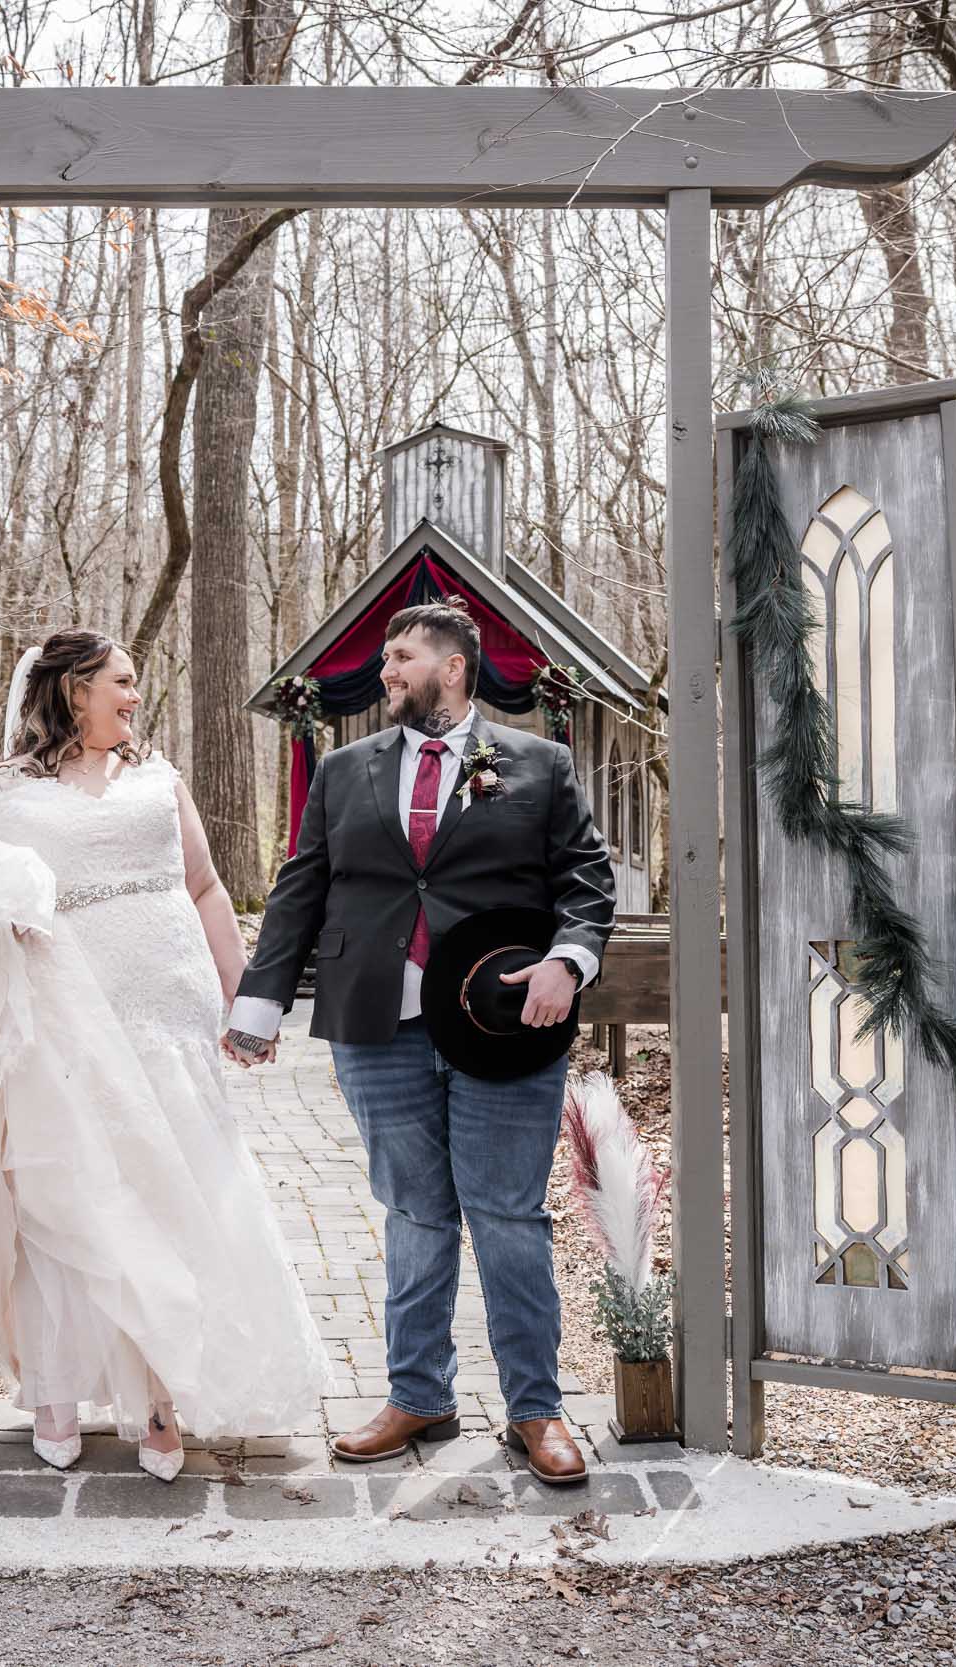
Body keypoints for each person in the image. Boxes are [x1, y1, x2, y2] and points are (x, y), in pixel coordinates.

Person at [0, 628, 327, 1482]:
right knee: (62, 1199)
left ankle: (159, 1395)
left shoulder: (159, 778)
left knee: (170, 1191)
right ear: (74, 689)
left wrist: (247, 1000)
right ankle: (55, 1391)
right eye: (122, 680)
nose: (135, 694)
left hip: (168, 1017)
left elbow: (205, 886)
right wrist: (1, 906)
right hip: (60, 1025)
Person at [224, 600, 616, 1486]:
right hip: (376, 1024)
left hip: (503, 1024)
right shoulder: (344, 769)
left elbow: (586, 880)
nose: (386, 670)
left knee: (507, 1214)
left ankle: (535, 1406)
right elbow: (300, 886)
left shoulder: (539, 763)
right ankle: (418, 1394)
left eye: (401, 656)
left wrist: (569, 960)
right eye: (386, 657)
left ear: (454, 667)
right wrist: (260, 1003)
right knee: (413, 1212)